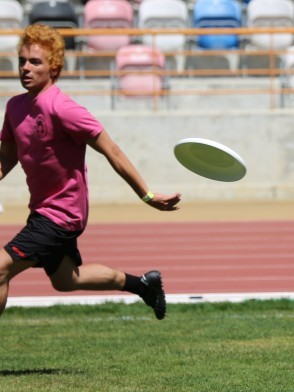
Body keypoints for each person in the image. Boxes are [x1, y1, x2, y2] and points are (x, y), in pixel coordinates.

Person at [0, 25, 181, 319]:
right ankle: (144, 285)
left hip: (62, 214)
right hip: (41, 210)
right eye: (22, 61)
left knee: (0, 269)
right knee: (66, 279)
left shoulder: (64, 108)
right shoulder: (15, 107)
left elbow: (112, 150)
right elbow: (6, 159)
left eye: (35, 62)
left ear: (54, 67)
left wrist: (146, 195)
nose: (25, 68)